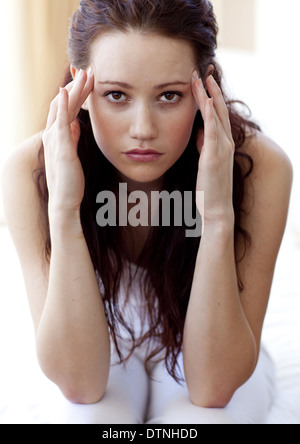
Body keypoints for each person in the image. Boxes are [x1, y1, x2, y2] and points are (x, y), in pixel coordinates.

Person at [1, 0, 293, 424]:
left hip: (214, 348)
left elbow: (213, 388)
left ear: (204, 89)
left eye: (169, 96)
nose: (143, 128)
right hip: (96, 347)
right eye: (116, 95)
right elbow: (81, 385)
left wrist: (216, 216)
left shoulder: (261, 168)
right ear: (80, 89)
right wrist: (65, 211)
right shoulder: (31, 171)